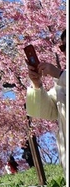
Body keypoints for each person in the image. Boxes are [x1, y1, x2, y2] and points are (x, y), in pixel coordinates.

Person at [26, 28, 66, 176]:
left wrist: (59, 74)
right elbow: (48, 112)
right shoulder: (61, 85)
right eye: (64, 47)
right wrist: (37, 84)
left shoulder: (63, 79)